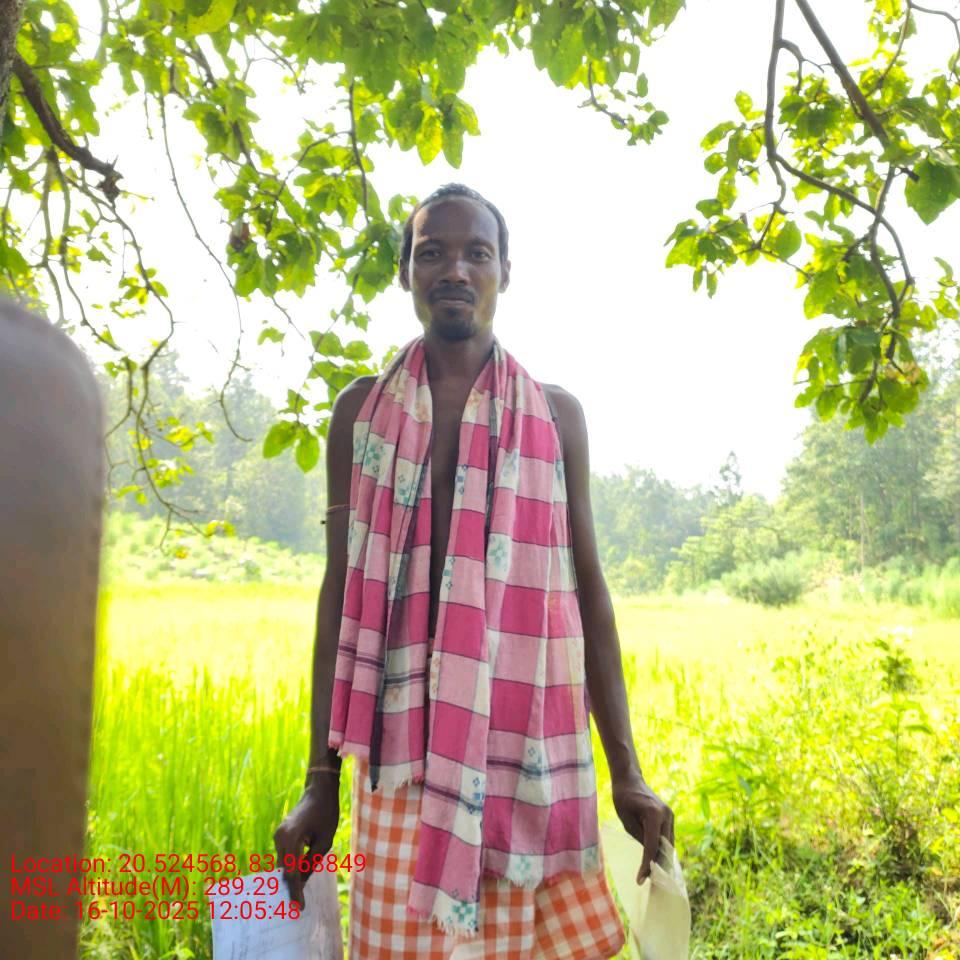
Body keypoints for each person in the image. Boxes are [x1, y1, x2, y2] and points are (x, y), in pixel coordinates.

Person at [274, 184, 674, 958]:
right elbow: (340, 596)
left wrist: (626, 770)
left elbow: (588, 595)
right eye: (432, 253)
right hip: (399, 765)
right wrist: (320, 781)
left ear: (504, 273)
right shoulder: (360, 413)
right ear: (406, 272)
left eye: (476, 254)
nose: (455, 269)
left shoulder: (556, 416)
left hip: (524, 760)